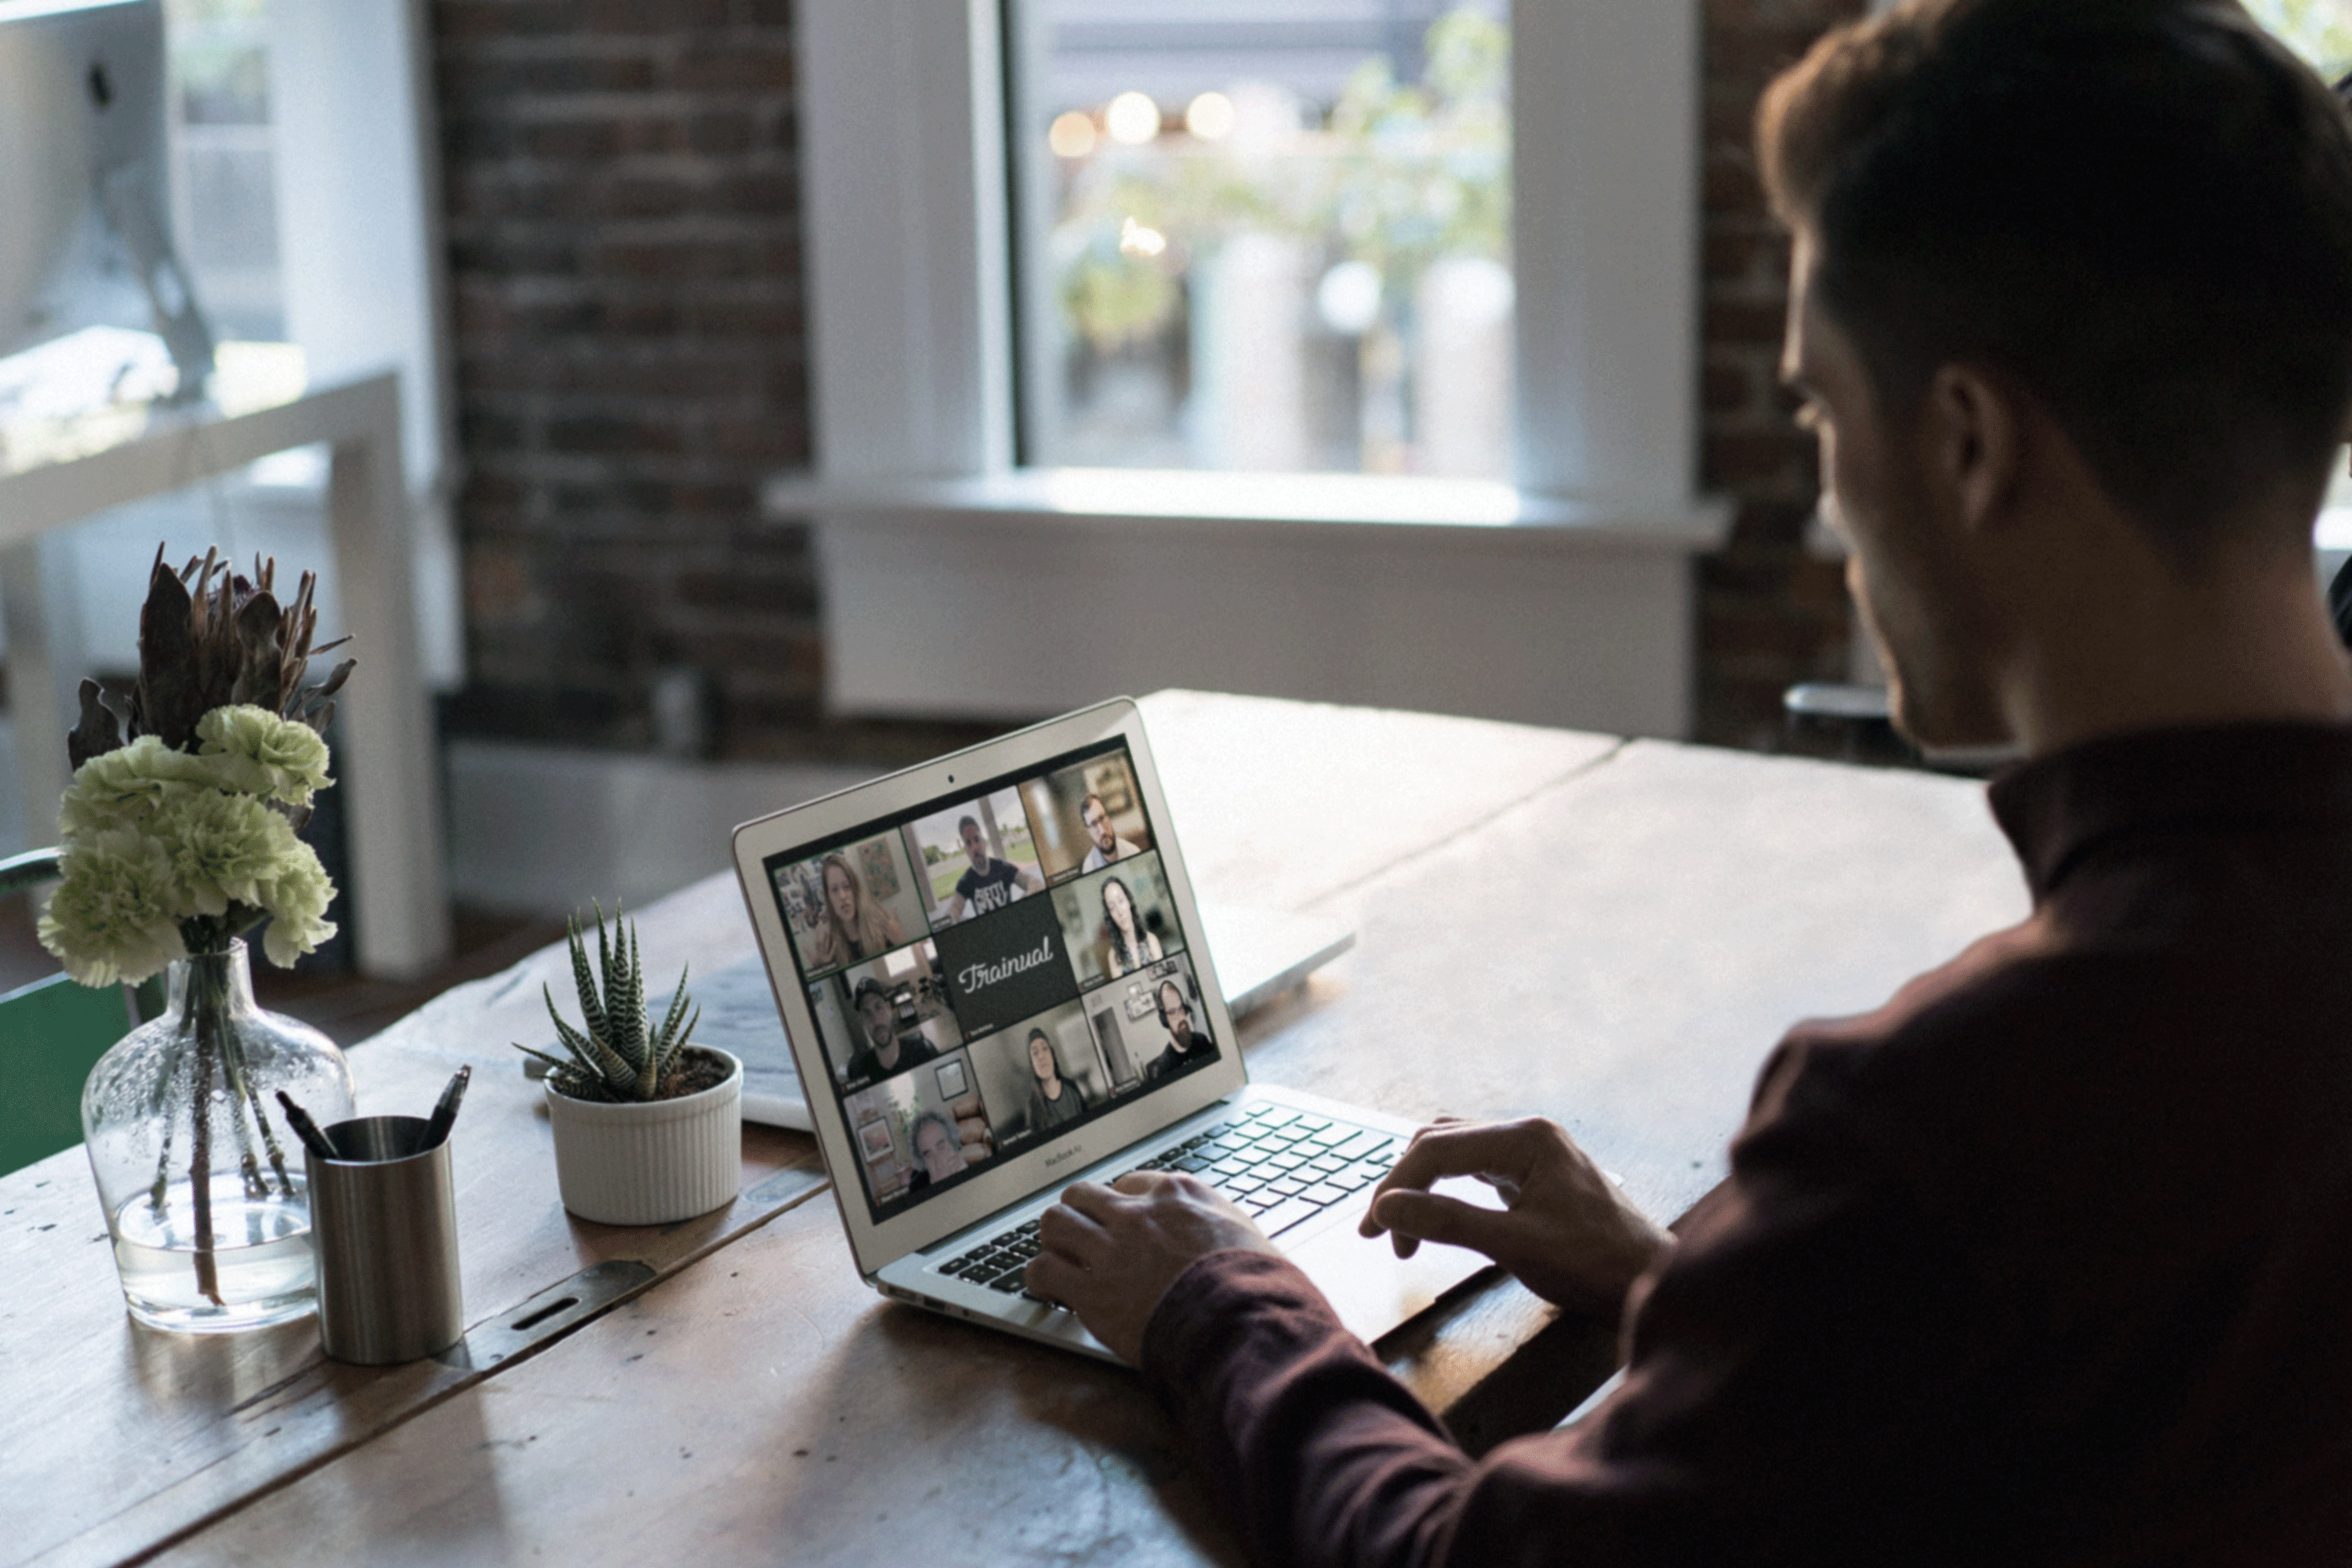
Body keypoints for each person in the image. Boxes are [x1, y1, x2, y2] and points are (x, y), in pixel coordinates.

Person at [1025, 2, 2352, 1560]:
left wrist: (1219, 1302)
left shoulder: (1956, 1113)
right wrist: (1711, 1295)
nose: (1829, 502)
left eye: (1819, 408)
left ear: (1972, 445)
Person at [804, 851, 904, 970]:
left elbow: (902, 969)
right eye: (834, 890)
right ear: (829, 898)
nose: (842, 896)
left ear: (855, 889)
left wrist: (902, 943)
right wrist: (821, 969)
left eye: (847, 886)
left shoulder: (882, 930)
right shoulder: (830, 950)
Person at [942, 815, 1043, 921]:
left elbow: (1028, 880)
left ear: (984, 842)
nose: (974, 847)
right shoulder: (965, 881)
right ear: (966, 850)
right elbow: (955, 907)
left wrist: (1035, 887)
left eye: (977, 839)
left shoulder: (1003, 867)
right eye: (968, 843)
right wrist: (949, 918)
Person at [839, 977, 936, 1084]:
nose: (875, 1019)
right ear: (862, 1022)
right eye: (867, 1013)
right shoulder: (859, 1072)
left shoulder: (922, 1052)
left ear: (889, 1008)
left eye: (878, 1007)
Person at [1138, 980, 1212, 1083]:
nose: (1181, 1017)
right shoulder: (1164, 1068)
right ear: (1165, 1020)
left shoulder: (1202, 1040)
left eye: (1181, 1008)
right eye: (1173, 1012)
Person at [1022, 1027, 1089, 1136]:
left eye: (1045, 1048)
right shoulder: (1032, 1107)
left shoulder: (1071, 1087)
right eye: (1035, 1053)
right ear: (1032, 1064)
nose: (1041, 1056)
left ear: (1052, 1054)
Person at [1098, 875, 1162, 978]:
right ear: (1110, 916)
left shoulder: (1151, 941)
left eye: (1121, 901)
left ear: (1129, 901)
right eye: (1112, 908)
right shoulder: (1114, 956)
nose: (1119, 911)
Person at [1077, 793, 1144, 873]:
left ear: (1108, 818)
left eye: (1102, 818)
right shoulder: (1089, 869)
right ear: (1089, 832)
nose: (1102, 831)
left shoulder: (1133, 853)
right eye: (1094, 824)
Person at [903, 1110, 967, 1192]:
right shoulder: (916, 1189)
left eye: (941, 1148)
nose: (938, 1164)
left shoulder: (966, 1169)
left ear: (952, 1145)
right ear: (923, 1162)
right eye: (928, 1155)